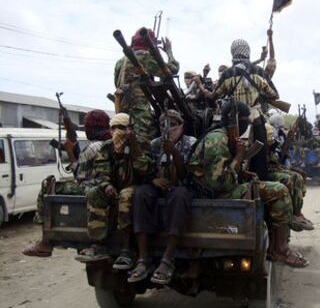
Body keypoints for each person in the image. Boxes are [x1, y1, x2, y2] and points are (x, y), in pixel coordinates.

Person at [189, 101, 308, 268]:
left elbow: (221, 171)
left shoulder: (224, 136)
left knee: (265, 183)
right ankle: (280, 249)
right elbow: (218, 183)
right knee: (279, 191)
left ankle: (277, 243)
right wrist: (239, 157)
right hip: (213, 194)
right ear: (238, 120)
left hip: (217, 189)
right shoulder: (217, 139)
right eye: (246, 120)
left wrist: (242, 173)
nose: (247, 125)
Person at [22, 110, 112, 257]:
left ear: (91, 128)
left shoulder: (93, 147)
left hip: (90, 189)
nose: (86, 130)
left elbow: (79, 176)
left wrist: (70, 153)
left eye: (87, 127)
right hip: (100, 187)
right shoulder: (108, 143)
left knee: (48, 184)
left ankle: (46, 241)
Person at [194, 39, 279, 181]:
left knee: (234, 156)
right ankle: (262, 189)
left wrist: (199, 85)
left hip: (235, 122)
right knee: (260, 161)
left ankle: (235, 185)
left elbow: (212, 96)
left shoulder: (228, 74)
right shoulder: (258, 71)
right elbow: (275, 95)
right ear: (248, 52)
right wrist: (259, 95)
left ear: (233, 52)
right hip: (256, 120)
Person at [128, 110, 195, 285]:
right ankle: (143, 258)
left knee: (180, 196)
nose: (170, 128)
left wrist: (174, 153)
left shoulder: (190, 142)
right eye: (165, 124)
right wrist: (153, 180)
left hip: (181, 186)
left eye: (174, 124)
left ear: (181, 125)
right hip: (160, 185)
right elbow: (147, 170)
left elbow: (187, 175)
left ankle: (168, 258)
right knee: (141, 193)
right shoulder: (155, 144)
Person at [76, 113, 151, 268]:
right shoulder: (107, 146)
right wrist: (106, 185)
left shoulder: (142, 144)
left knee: (125, 196)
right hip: (113, 185)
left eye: (122, 128)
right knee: (93, 193)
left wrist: (134, 147)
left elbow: (144, 170)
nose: (118, 131)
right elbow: (100, 170)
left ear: (130, 129)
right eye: (114, 128)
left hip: (136, 186)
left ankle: (126, 248)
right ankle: (98, 244)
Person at [113, 27, 179, 149]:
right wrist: (168, 51)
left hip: (120, 109)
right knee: (144, 146)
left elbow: (116, 83)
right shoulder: (146, 57)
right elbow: (172, 70)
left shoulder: (120, 62)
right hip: (139, 112)